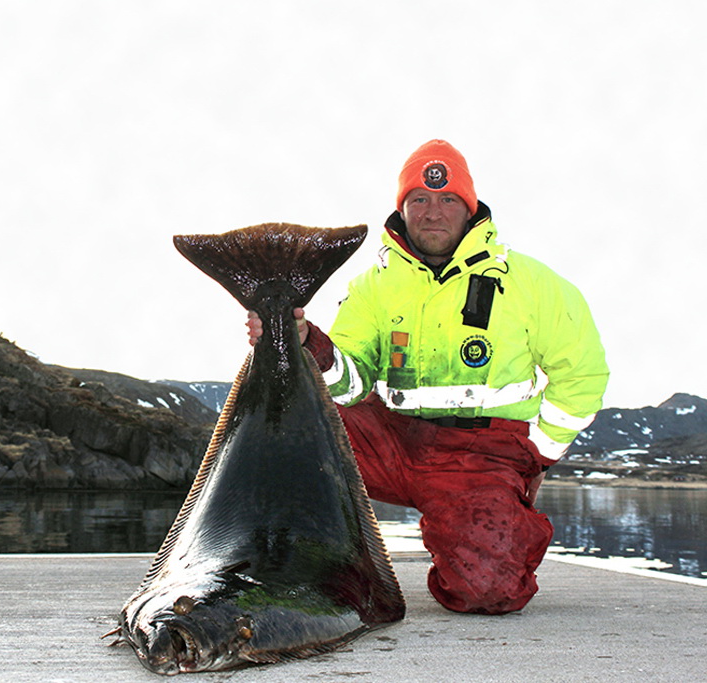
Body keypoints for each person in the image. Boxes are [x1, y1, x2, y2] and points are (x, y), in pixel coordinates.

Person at [246, 140, 609, 615]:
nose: (432, 212)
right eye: (419, 199)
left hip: (479, 457)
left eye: (448, 199)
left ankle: (469, 533)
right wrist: (304, 340)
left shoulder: (532, 283)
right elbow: (350, 385)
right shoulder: (372, 287)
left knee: (486, 591)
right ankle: (292, 561)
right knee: (289, 426)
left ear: (470, 208)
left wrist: (537, 456)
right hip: (389, 441)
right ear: (402, 209)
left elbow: (582, 375)